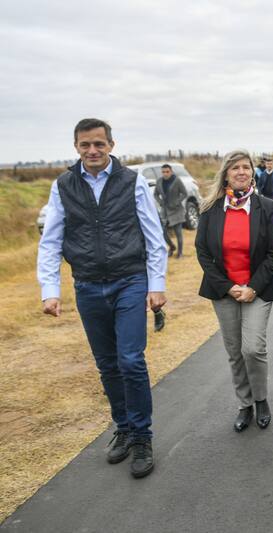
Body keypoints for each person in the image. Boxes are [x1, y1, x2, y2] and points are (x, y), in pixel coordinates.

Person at [37, 118, 167, 478]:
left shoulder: (132, 181)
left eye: (99, 144)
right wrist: (51, 290)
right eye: (85, 145)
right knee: (107, 363)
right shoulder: (63, 185)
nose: (92, 151)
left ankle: (142, 436)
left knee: (130, 359)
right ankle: (123, 427)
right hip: (88, 285)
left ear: (111, 144)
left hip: (129, 281)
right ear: (76, 147)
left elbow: (153, 235)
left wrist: (156, 284)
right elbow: (51, 240)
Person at [195, 150, 273, 433]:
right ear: (226, 174)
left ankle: (261, 400)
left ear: (252, 172)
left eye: (246, 167)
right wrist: (228, 287)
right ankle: (244, 404)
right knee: (234, 351)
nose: (242, 172)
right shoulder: (210, 209)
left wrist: (253, 287)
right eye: (235, 168)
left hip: (257, 290)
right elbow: (203, 252)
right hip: (224, 291)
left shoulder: (266, 207)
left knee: (253, 349)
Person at [154, 163, 188, 258]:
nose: (165, 174)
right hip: (165, 211)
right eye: (163, 172)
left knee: (178, 233)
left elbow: (184, 193)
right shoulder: (159, 181)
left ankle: (180, 253)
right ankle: (172, 247)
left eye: (167, 172)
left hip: (176, 210)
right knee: (162, 232)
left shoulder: (177, 181)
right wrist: (160, 202)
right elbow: (155, 194)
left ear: (171, 171)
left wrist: (177, 202)